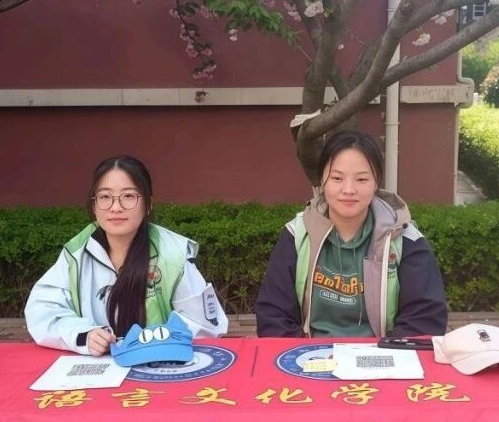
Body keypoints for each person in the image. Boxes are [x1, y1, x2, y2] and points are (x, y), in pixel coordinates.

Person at [25, 155, 228, 355]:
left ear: (148, 204)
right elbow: (42, 311)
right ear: (94, 205)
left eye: (129, 196)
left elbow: (206, 326)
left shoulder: (173, 254)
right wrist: (85, 335)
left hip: (159, 365)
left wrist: (155, 342)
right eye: (105, 197)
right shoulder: (76, 255)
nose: (116, 207)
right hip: (97, 367)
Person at [256, 130, 447, 337]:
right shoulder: (296, 235)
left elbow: (425, 318)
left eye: (361, 179)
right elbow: (274, 316)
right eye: (337, 178)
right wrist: (307, 352)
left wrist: (382, 353)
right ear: (322, 180)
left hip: (382, 353)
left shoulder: (405, 240)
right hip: (310, 353)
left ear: (376, 182)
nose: (348, 189)